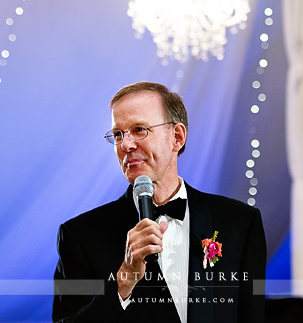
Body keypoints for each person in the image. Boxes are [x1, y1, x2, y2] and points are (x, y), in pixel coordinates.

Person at [52, 81, 266, 323]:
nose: (126, 144)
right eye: (118, 134)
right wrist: (123, 282)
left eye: (139, 129)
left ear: (177, 137)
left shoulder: (240, 222)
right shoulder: (80, 235)